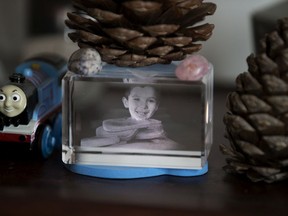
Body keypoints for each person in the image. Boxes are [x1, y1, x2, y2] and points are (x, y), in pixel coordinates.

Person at [81, 85, 179, 150]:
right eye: (137, 99)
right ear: (126, 102)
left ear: (157, 106)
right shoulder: (107, 127)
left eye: (150, 100)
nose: (143, 106)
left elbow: (173, 146)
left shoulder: (157, 130)